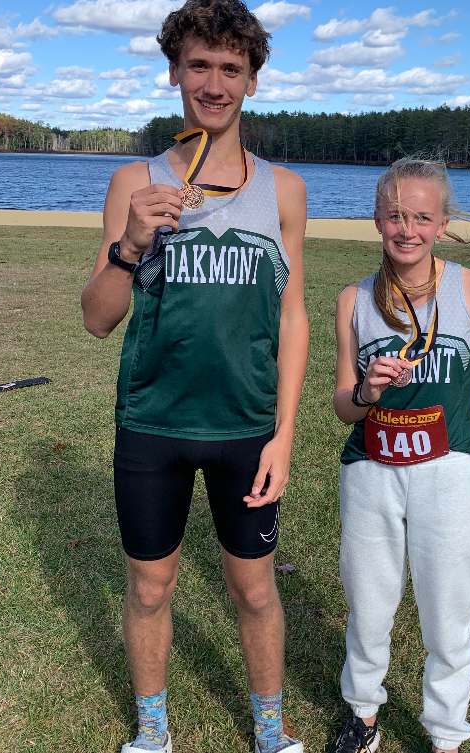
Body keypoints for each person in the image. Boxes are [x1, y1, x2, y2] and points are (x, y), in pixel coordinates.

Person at [80, 2, 309, 751]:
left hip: (246, 428)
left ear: (252, 81)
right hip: (152, 424)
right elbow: (96, 318)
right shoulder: (133, 181)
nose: (213, 83)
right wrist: (130, 243)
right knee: (150, 586)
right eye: (199, 65)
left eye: (230, 69)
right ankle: (153, 733)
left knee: (252, 588)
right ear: (175, 71)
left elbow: (293, 317)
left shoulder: (282, 191)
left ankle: (270, 734)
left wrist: (283, 435)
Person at [329, 159, 470, 753]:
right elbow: (344, 406)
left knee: (450, 613)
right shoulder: (353, 301)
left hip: (450, 471)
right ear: (376, 220)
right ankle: (363, 715)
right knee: (368, 606)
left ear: (443, 224)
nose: (407, 229)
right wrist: (368, 389)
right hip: (372, 472)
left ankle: (446, 734)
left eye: (421, 216)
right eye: (395, 215)